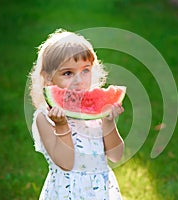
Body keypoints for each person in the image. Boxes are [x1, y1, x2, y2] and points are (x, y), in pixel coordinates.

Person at [29, 29, 125, 199]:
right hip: (67, 194)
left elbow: (116, 155)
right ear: (48, 78)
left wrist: (109, 123)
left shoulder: (97, 118)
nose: (79, 80)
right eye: (68, 73)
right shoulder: (44, 118)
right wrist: (61, 126)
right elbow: (65, 163)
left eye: (85, 70)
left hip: (100, 193)